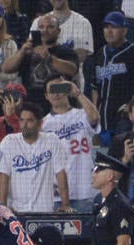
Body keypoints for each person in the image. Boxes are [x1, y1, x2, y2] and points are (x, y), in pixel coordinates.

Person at [0, 101, 71, 213]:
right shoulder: (9, 142)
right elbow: (3, 177)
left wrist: (65, 204)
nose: (24, 125)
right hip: (16, 211)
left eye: (30, 121)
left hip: (44, 211)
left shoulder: (52, 140)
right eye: (22, 120)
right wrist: (3, 207)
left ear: (40, 123)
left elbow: (61, 174)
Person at [91, 10, 134, 143]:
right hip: (102, 119)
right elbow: (94, 87)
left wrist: (129, 107)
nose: (109, 31)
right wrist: (94, 110)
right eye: (106, 27)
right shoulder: (99, 54)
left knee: (123, 157)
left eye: (114, 27)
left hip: (123, 120)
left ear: (124, 31)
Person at [42, 76, 99, 211]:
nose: (56, 94)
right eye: (52, 90)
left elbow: (95, 117)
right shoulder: (43, 124)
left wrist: (77, 93)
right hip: (57, 194)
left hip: (84, 190)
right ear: (46, 96)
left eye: (60, 88)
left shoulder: (82, 114)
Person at [1, 12, 79, 109]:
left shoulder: (66, 51)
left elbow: (72, 70)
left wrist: (49, 58)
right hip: (31, 103)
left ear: (58, 31)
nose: (45, 30)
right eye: (41, 27)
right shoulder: (28, 51)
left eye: (50, 27)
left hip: (58, 102)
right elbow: (6, 68)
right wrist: (22, 51)